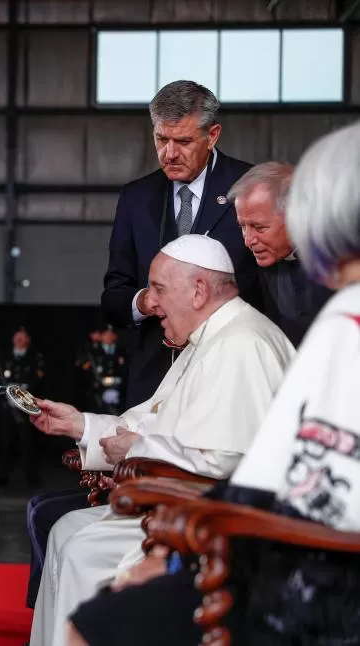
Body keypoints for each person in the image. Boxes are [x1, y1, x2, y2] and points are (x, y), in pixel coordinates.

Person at [65, 118, 360, 646]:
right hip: (285, 536)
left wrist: (190, 545)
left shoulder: (343, 321)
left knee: (96, 624)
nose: (250, 242)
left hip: (312, 576)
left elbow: (307, 485)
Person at [29, 235, 295, 646]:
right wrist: (79, 425)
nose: (150, 303)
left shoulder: (243, 344)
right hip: (182, 500)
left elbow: (226, 461)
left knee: (82, 549)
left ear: (199, 290)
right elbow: (151, 420)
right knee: (65, 531)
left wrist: (135, 450)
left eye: (158, 288)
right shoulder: (210, 338)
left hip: (212, 519)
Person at [102, 80, 258, 408]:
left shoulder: (251, 187)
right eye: (161, 139)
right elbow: (113, 298)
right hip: (152, 387)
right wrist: (144, 301)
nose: (170, 154)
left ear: (212, 135)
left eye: (183, 141)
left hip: (231, 380)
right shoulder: (135, 198)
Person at [230, 161, 333, 346]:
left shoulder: (344, 259)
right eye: (242, 227)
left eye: (258, 227)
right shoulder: (267, 257)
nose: (248, 240)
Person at [0, 326, 44, 487]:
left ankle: (31, 476)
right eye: (17, 337)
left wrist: (23, 391)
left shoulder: (35, 358)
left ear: (28, 340)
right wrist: (6, 393)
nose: (20, 340)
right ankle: (2, 475)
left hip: (26, 406)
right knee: (5, 441)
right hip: (7, 406)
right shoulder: (3, 358)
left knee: (27, 442)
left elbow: (38, 379)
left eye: (23, 337)